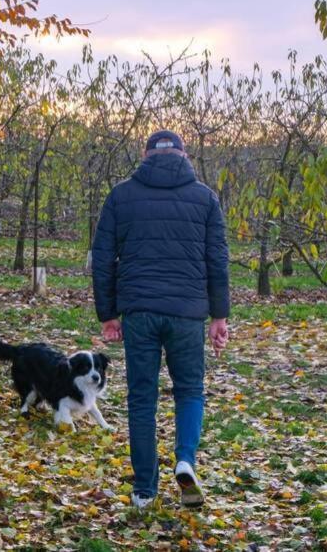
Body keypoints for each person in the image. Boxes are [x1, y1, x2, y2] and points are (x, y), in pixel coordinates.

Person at [92, 130, 230, 509]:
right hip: (188, 314)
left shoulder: (121, 196)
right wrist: (219, 316)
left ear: (145, 155)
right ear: (185, 156)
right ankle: (185, 459)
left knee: (142, 399)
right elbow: (216, 260)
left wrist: (108, 314)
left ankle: (144, 491)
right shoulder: (205, 199)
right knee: (189, 390)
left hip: (139, 311)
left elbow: (102, 257)